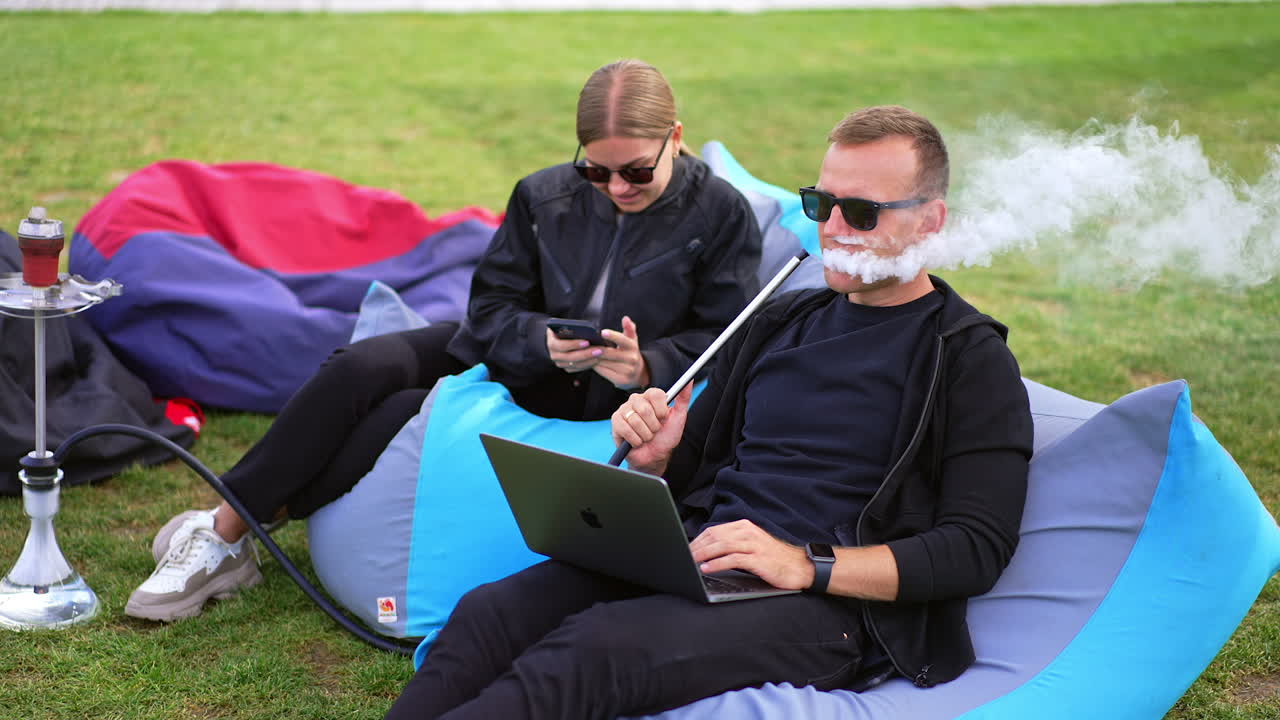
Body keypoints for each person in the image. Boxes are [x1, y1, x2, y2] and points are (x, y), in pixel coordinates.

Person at [381, 105, 1035, 720]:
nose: (833, 228)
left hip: (825, 607)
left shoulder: (968, 358)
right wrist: (660, 457)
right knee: (490, 613)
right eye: (821, 204)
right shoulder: (781, 319)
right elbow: (697, 471)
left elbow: (976, 547)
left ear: (930, 220)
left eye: (862, 212)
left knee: (595, 651)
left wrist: (806, 563)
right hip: (704, 559)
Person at [124, 59, 763, 622]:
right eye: (596, 170)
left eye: (636, 171)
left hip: (606, 401)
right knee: (357, 368)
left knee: (398, 418)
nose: (618, 187)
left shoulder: (722, 214)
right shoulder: (543, 195)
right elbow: (488, 308)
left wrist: (646, 364)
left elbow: (728, 338)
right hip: (517, 355)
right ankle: (223, 530)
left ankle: (232, 529)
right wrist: (538, 339)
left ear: (675, 137)